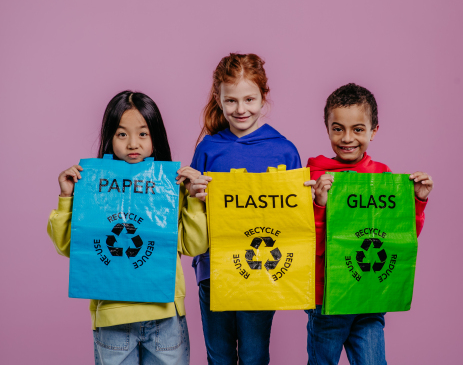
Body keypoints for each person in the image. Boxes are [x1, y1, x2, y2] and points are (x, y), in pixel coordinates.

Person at [47, 91, 207, 365]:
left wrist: (193, 199)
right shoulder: (90, 183)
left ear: (156, 136)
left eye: (143, 134)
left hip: (164, 316)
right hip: (114, 319)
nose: (133, 143)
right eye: (122, 134)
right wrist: (66, 198)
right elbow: (68, 247)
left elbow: (194, 246)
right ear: (110, 137)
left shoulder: (172, 184)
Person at [305, 83, 434, 365]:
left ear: (374, 130)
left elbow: (399, 239)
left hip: (370, 296)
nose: (347, 138)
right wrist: (319, 203)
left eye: (358, 129)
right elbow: (307, 244)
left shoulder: (384, 176)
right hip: (327, 298)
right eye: (337, 128)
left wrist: (418, 202)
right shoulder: (314, 175)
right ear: (326, 127)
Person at [186, 53, 302, 365]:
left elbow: (295, 218)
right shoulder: (208, 149)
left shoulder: (284, 150)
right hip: (213, 268)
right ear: (218, 98)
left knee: (253, 356)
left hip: (261, 269)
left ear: (264, 97)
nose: (241, 109)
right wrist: (193, 194)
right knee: (220, 357)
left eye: (249, 99)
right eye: (232, 100)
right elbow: (191, 216)